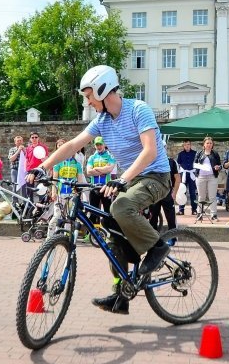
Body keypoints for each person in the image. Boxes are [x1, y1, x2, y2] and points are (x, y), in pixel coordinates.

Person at [27, 65, 172, 315]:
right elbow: (73, 145)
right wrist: (43, 167)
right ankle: (122, 295)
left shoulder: (138, 110)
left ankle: (157, 246)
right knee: (111, 231)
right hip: (132, 181)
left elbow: (150, 151)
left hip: (156, 176)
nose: (88, 101)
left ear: (103, 90)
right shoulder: (102, 122)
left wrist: (122, 179)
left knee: (120, 206)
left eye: (89, 95)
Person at [85, 136, 117, 226]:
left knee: (107, 211)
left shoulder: (110, 156)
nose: (98, 147)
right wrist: (103, 169)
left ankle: (108, 231)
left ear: (104, 144)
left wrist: (96, 168)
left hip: (106, 187)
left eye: (100, 144)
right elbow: (89, 172)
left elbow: (109, 169)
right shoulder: (92, 157)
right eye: (97, 145)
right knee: (93, 211)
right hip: (94, 187)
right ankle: (92, 233)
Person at [194, 136, 222, 221]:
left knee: (212, 196)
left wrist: (218, 167)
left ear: (212, 144)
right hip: (201, 177)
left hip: (212, 177)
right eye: (207, 143)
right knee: (201, 196)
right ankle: (199, 213)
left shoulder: (215, 154)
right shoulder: (199, 153)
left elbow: (220, 165)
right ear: (204, 144)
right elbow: (195, 165)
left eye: (210, 143)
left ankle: (213, 214)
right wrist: (202, 167)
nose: (209, 145)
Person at [148, 156, 180, 231]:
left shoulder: (172, 162)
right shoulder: (150, 160)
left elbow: (177, 178)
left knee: (171, 218)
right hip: (154, 193)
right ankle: (154, 239)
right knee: (153, 218)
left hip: (167, 193)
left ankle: (172, 237)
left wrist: (174, 193)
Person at [176, 140, 198, 215]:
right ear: (183, 146)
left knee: (193, 193)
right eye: (185, 145)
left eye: (188, 144)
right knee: (182, 192)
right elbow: (178, 165)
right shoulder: (180, 154)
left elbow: (197, 163)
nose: (187, 146)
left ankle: (194, 210)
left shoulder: (195, 153)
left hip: (192, 174)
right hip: (183, 175)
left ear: (190, 145)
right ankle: (181, 210)